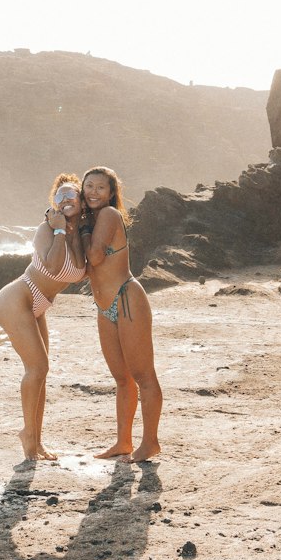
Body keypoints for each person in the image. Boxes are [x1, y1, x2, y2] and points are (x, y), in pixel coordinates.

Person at [0, 174, 86, 461]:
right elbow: (55, 266)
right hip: (17, 297)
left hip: (39, 304)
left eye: (72, 196)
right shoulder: (46, 230)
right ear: (53, 203)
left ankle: (37, 439)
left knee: (41, 373)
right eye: (60, 197)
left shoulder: (81, 234)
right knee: (38, 368)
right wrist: (58, 230)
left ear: (81, 202)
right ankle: (28, 436)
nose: (66, 200)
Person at [80, 165, 162, 462]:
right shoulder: (89, 219)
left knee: (143, 376)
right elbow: (80, 271)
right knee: (122, 379)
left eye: (101, 187)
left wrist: (80, 229)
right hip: (104, 307)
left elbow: (96, 256)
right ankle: (123, 442)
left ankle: (150, 442)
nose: (93, 192)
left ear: (111, 193)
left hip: (127, 299)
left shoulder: (109, 215)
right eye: (89, 186)